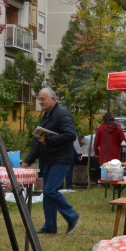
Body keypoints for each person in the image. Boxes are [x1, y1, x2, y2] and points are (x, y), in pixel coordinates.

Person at [21, 88, 81, 235]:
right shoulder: (46, 116)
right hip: (49, 160)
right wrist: (28, 161)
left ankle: (72, 216)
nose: (40, 101)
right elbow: (39, 141)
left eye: (43, 99)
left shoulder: (62, 114)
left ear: (53, 99)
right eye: (39, 99)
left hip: (61, 159)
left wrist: (49, 140)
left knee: (50, 190)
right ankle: (50, 227)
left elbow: (71, 135)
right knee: (47, 193)